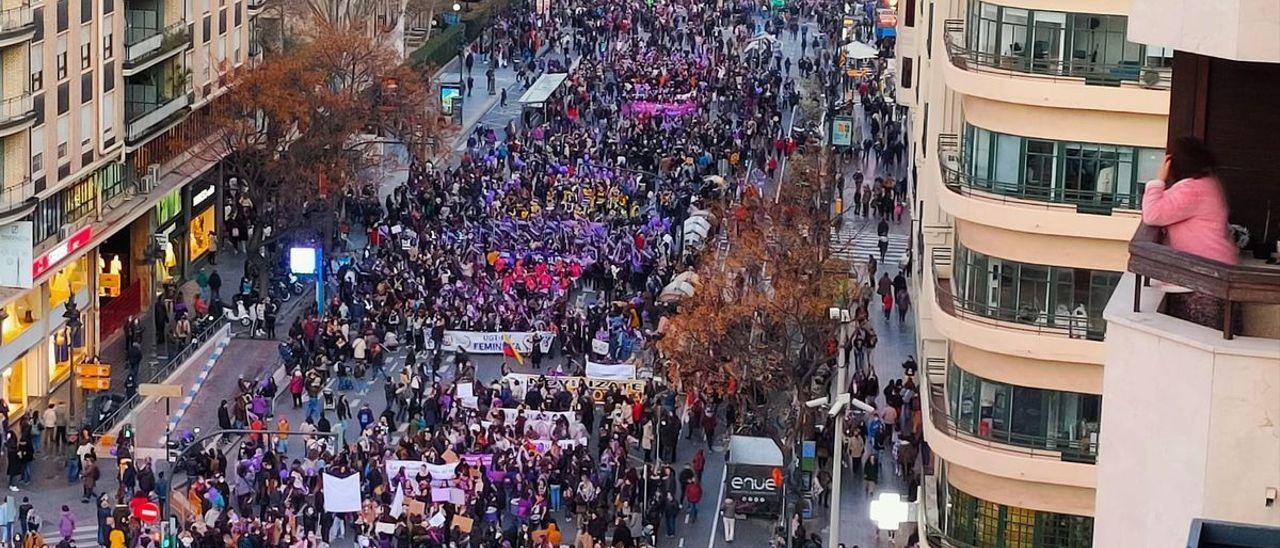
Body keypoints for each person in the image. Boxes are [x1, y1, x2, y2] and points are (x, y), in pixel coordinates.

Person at [1141, 137, 1240, 329]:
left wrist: (1158, 180)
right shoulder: (1207, 183)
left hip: (1203, 283)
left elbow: (1152, 214)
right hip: (1216, 276)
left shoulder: (1193, 189)